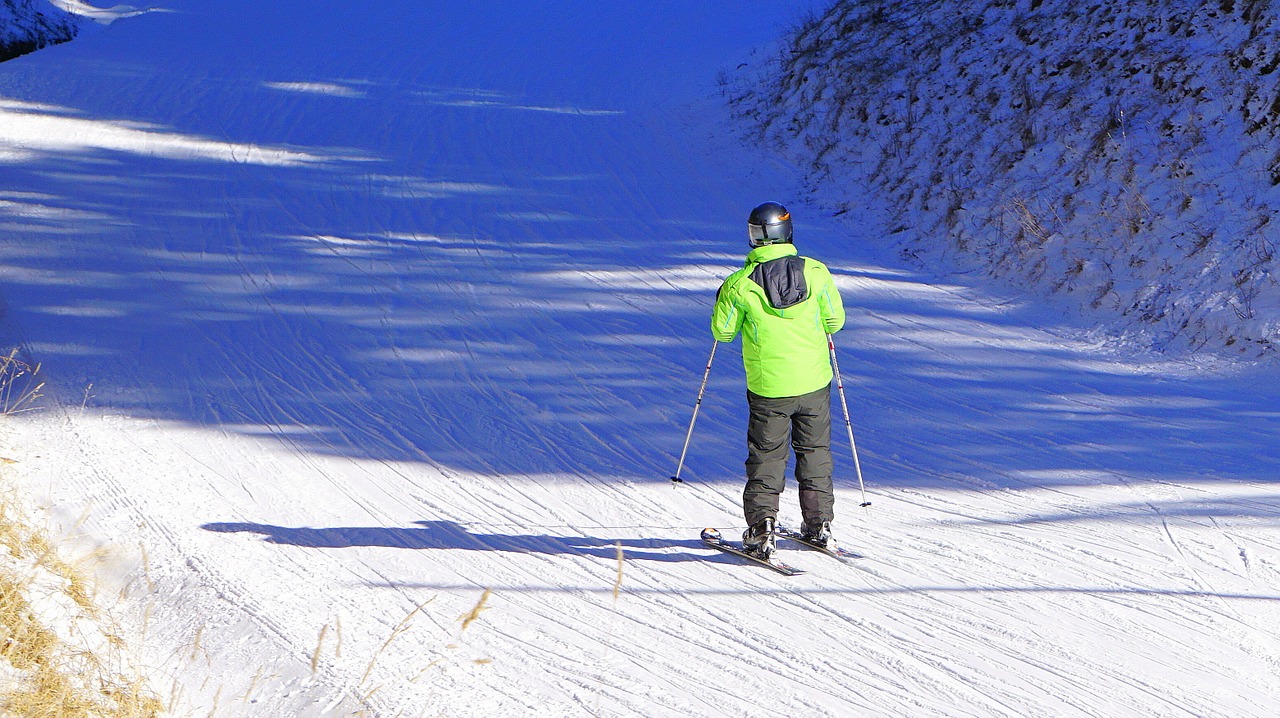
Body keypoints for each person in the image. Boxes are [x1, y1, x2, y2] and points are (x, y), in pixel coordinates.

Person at [711, 201, 846, 558]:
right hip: (814, 382)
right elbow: (835, 322)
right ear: (787, 231)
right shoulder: (816, 272)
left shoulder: (740, 285)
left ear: (755, 237)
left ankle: (761, 527)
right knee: (815, 452)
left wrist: (722, 301)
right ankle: (819, 524)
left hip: (769, 387)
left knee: (768, 456)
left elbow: (723, 332)